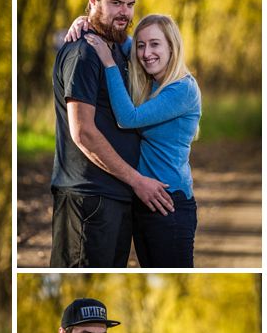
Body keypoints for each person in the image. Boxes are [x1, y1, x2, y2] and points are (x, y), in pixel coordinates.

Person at [51, 0, 175, 268]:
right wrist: (138, 181)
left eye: (130, 4)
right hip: (87, 197)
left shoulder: (119, 48)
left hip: (117, 196)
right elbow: (83, 133)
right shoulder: (84, 54)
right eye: (115, 3)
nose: (125, 12)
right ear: (93, 1)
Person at [79, 16, 201, 267]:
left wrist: (109, 62)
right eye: (142, 46)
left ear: (172, 47)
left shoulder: (182, 89)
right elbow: (125, 40)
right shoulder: (156, 81)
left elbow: (127, 118)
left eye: (155, 44)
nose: (146, 53)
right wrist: (86, 20)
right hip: (145, 198)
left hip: (169, 203)